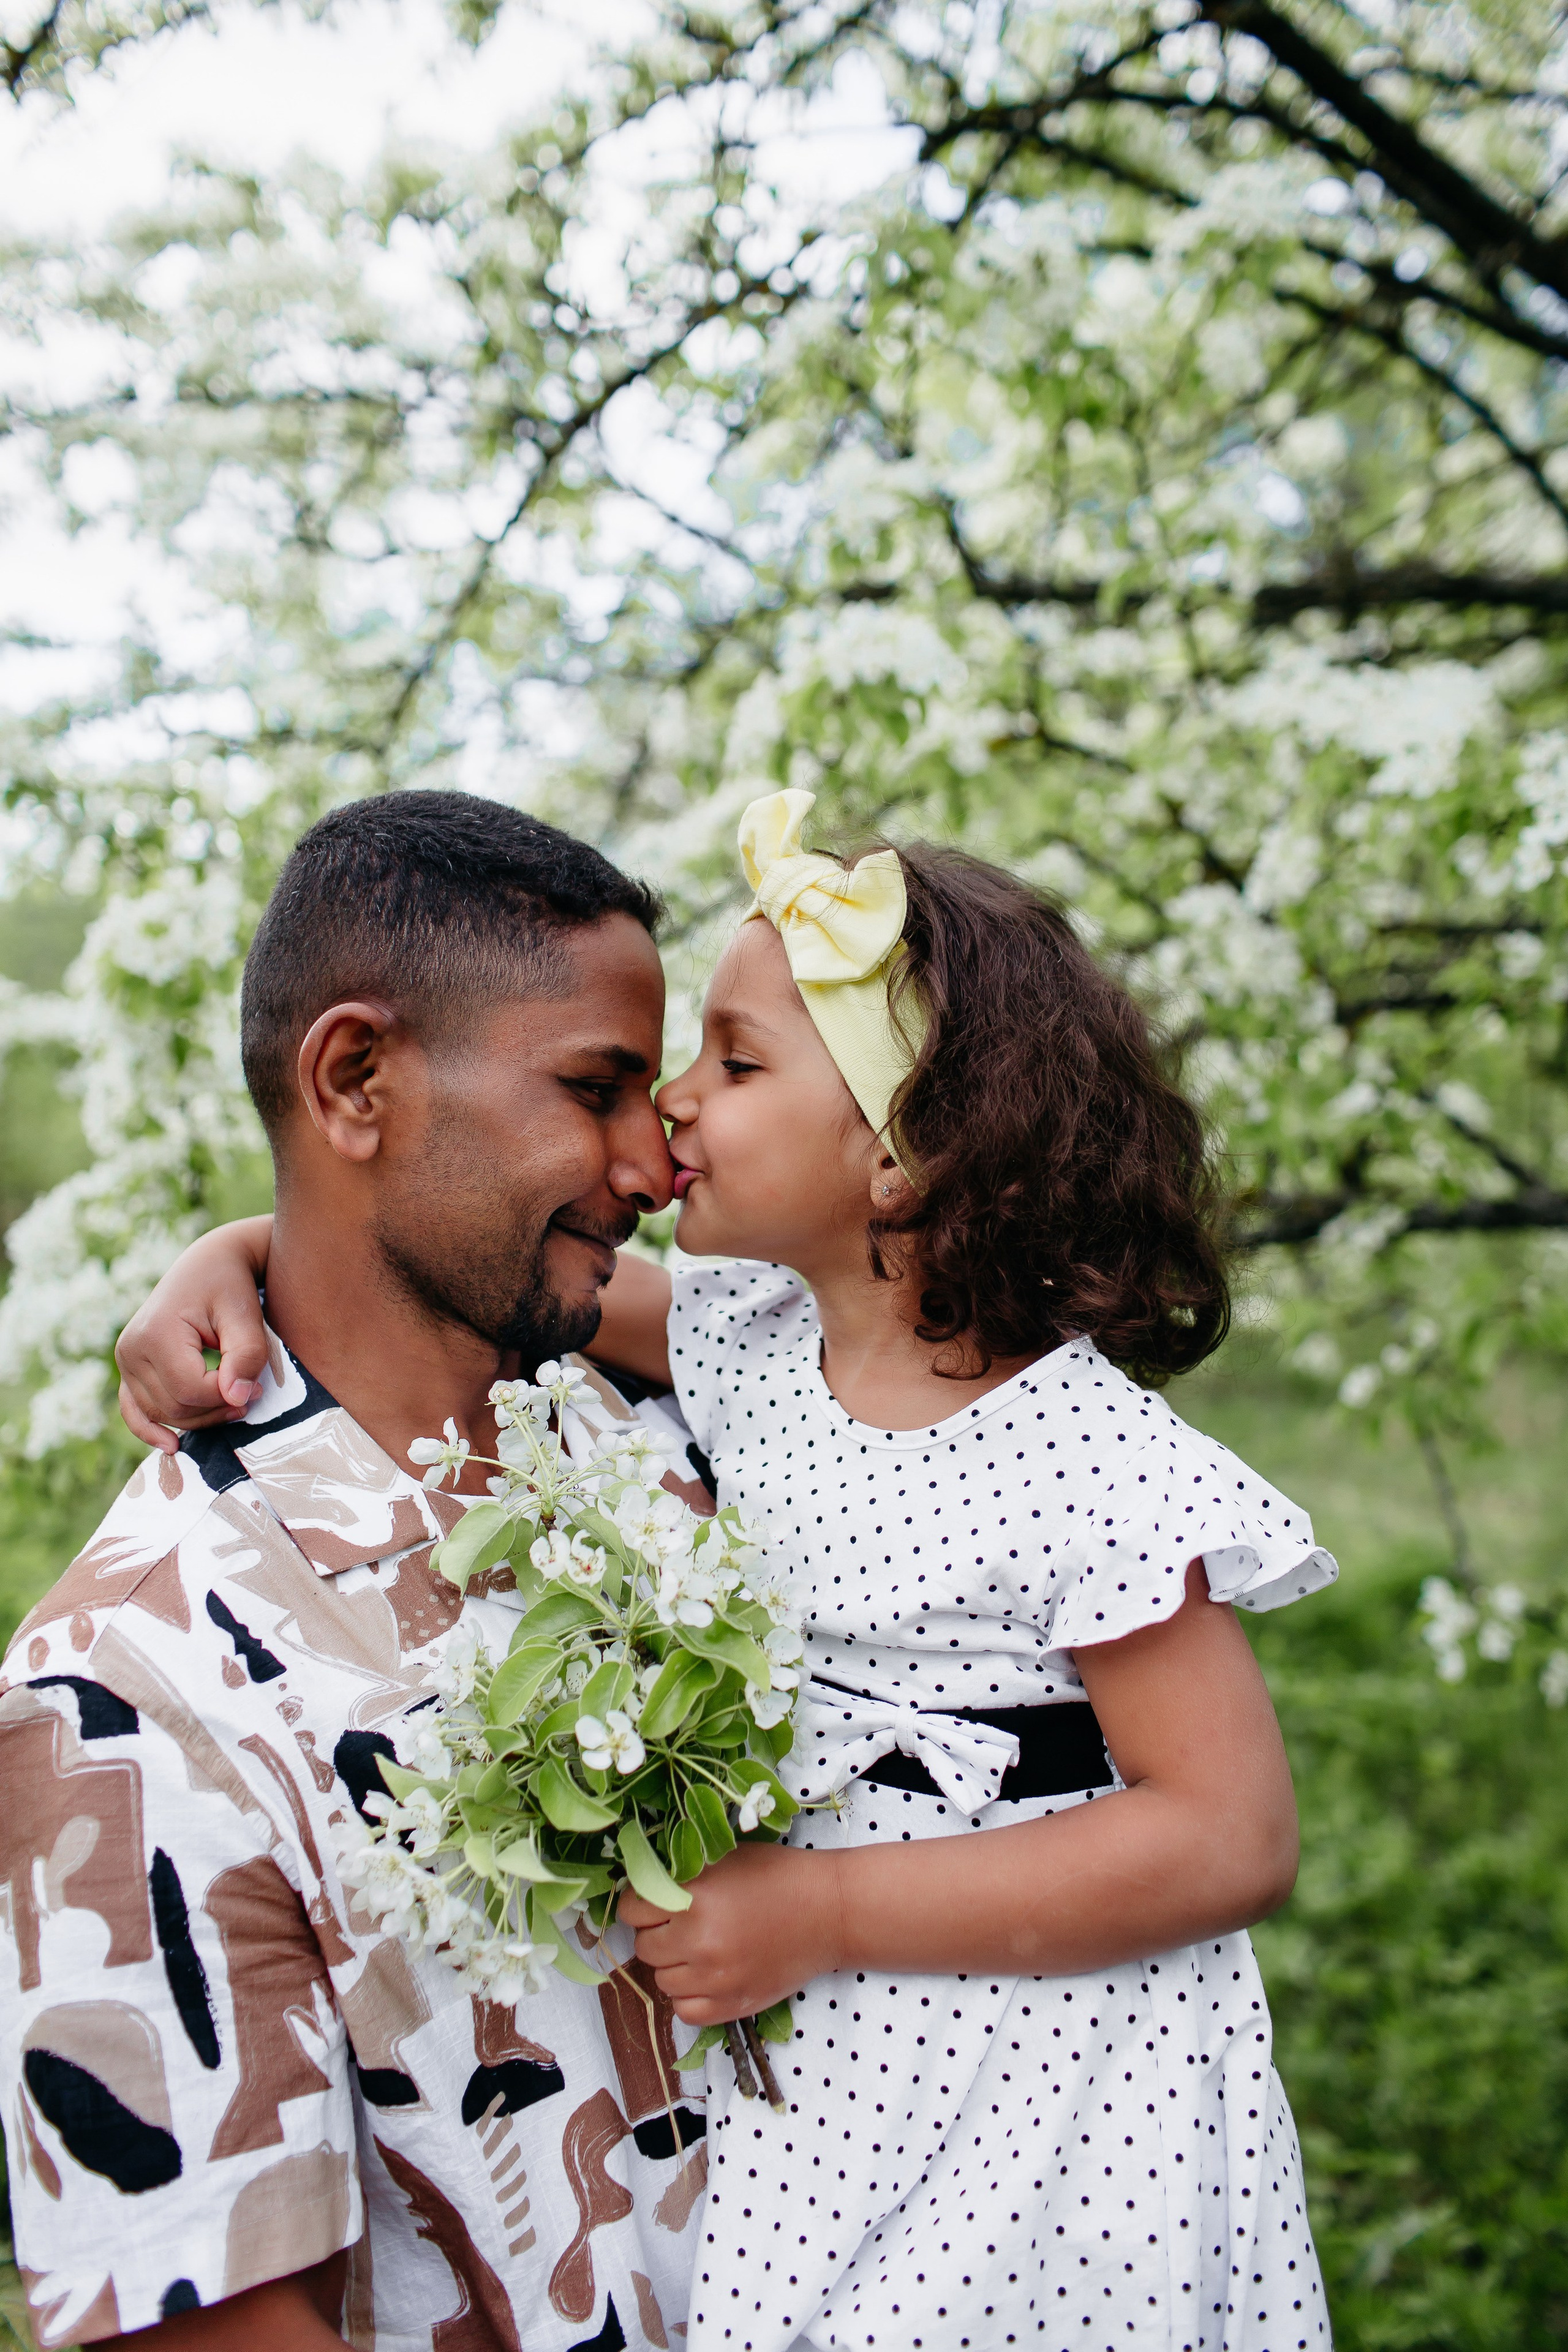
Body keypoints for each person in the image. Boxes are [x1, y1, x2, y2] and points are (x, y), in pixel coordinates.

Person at [115, 790, 1337, 2352]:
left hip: (1060, 2086)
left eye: (730, 1064)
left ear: (909, 1156)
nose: (670, 1113)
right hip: (838, 2079)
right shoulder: (745, 1339)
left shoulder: (1078, 1456)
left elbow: (1229, 1832)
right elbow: (402, 1238)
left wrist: (826, 1911)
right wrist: (224, 1257)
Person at [0, 791, 714, 2352]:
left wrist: (249, 1244)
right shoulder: (131, 1686)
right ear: (355, 1080)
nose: (656, 1159)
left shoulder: (686, 1436)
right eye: (594, 1089)